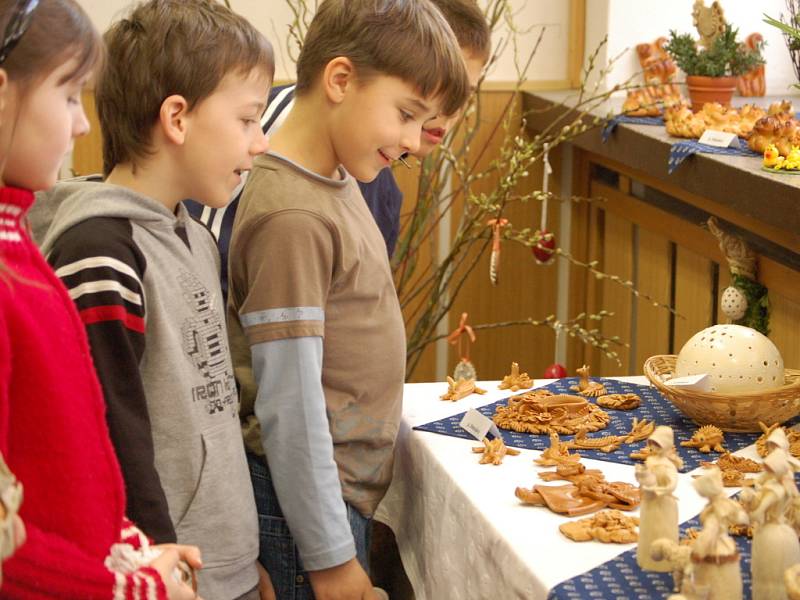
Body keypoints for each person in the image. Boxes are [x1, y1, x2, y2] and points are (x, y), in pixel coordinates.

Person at [226, 1, 470, 599]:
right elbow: (290, 405)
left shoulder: (334, 178)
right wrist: (331, 558)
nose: (414, 141)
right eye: (407, 114)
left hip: (331, 500)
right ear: (340, 80)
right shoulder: (292, 215)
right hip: (305, 514)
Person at [36, 1, 273, 598]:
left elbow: (207, 406)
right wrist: (163, 571)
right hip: (165, 579)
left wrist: (243, 562)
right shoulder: (100, 251)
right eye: (247, 120)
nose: (261, 141)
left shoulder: (193, 233)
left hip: (219, 569)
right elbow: (114, 437)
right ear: (177, 118)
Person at [0, 0, 200, 597]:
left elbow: (56, 471)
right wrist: (126, 587)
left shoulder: (18, 242)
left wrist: (132, 550)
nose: (82, 123)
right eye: (66, 95)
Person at [186, 0, 491, 301]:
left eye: (461, 97)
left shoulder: (378, 184)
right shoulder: (266, 139)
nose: (450, 112)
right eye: (414, 106)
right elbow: (208, 277)